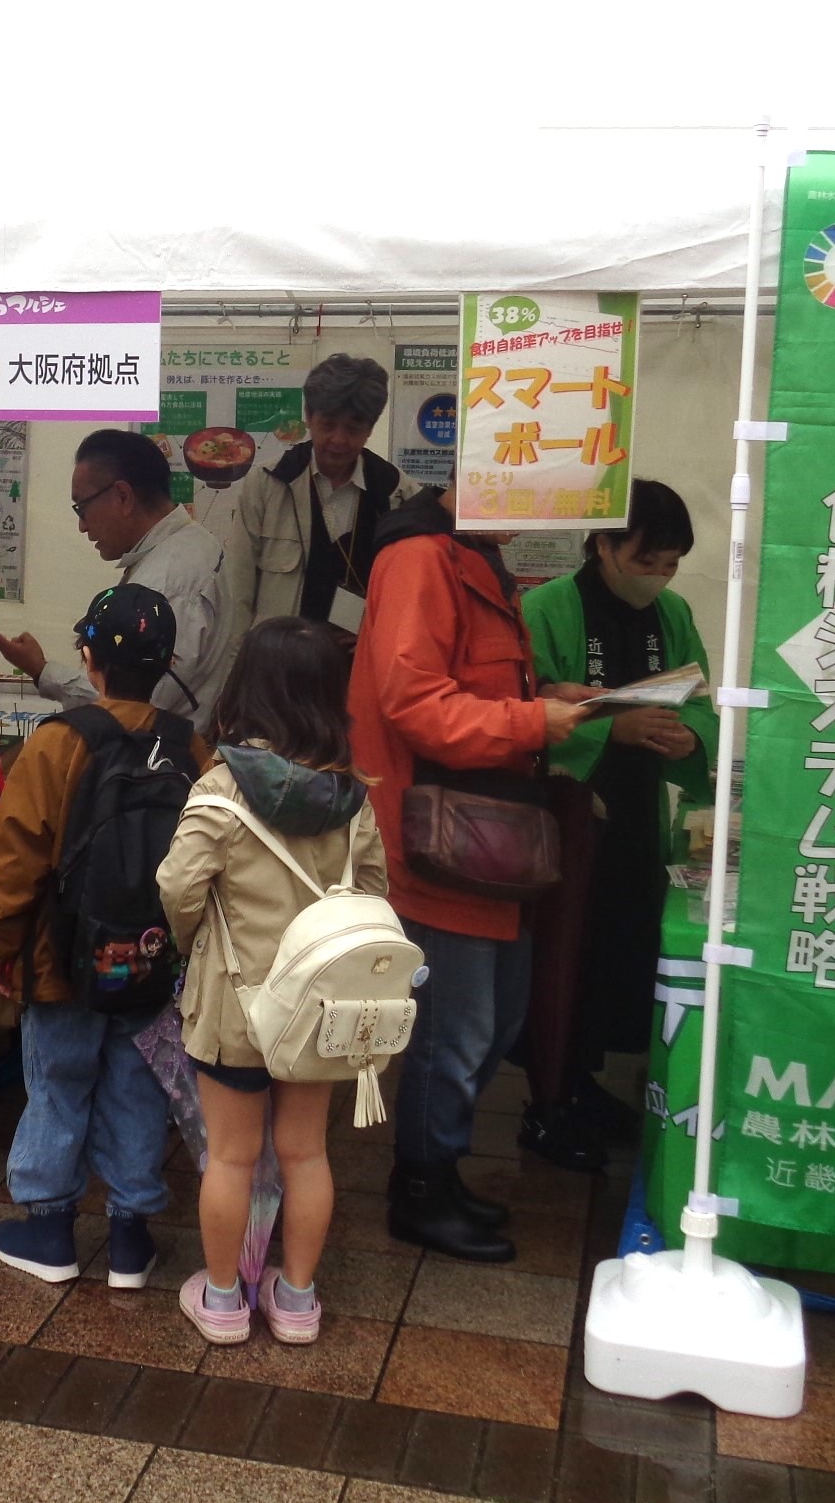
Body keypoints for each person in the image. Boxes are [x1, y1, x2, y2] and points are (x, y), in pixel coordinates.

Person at [349, 485, 592, 1262]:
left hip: (488, 835)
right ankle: (421, 1187)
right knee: (455, 1031)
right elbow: (415, 702)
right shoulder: (422, 557)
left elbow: (463, 686)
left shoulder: (474, 555)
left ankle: (439, 1170)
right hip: (440, 834)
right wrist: (532, 720)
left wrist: (547, 699)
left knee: (495, 1019)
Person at [159, 616, 389, 1346]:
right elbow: (374, 894)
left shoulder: (221, 790)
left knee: (231, 1156)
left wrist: (194, 944)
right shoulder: (353, 798)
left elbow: (177, 887)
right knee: (306, 1151)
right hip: (319, 1010)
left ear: (247, 687)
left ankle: (223, 1299)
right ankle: (295, 1301)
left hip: (235, 1006)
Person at [0, 585, 211, 1288]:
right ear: (168, 663)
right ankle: (131, 1239)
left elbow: (15, 857)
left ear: (88, 658)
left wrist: (0, 942)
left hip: (62, 959)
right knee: (139, 1087)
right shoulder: (190, 746)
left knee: (58, 1081)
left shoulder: (59, 741)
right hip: (152, 959)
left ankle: (50, 1228)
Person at [517, 480, 714, 1165]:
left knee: (617, 947)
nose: (656, 577)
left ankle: (585, 1083)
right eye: (644, 560)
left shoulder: (674, 612)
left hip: (637, 808)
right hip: (566, 809)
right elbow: (526, 708)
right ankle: (547, 1099)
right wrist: (613, 729)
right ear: (602, 545)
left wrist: (689, 736)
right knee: (562, 954)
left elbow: (699, 698)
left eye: (671, 565)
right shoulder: (546, 607)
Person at [0, 429, 233, 728]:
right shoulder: (194, 543)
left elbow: (131, 707)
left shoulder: (167, 584)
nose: (82, 526)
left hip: (155, 752)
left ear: (123, 496)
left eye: (82, 508)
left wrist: (42, 671)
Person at [217, 354, 407, 640]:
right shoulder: (267, 483)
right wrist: (238, 663)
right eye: (328, 425)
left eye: (353, 429)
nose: (339, 440)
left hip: (362, 660)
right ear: (308, 415)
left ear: (370, 428)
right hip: (281, 657)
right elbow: (237, 590)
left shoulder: (396, 491)